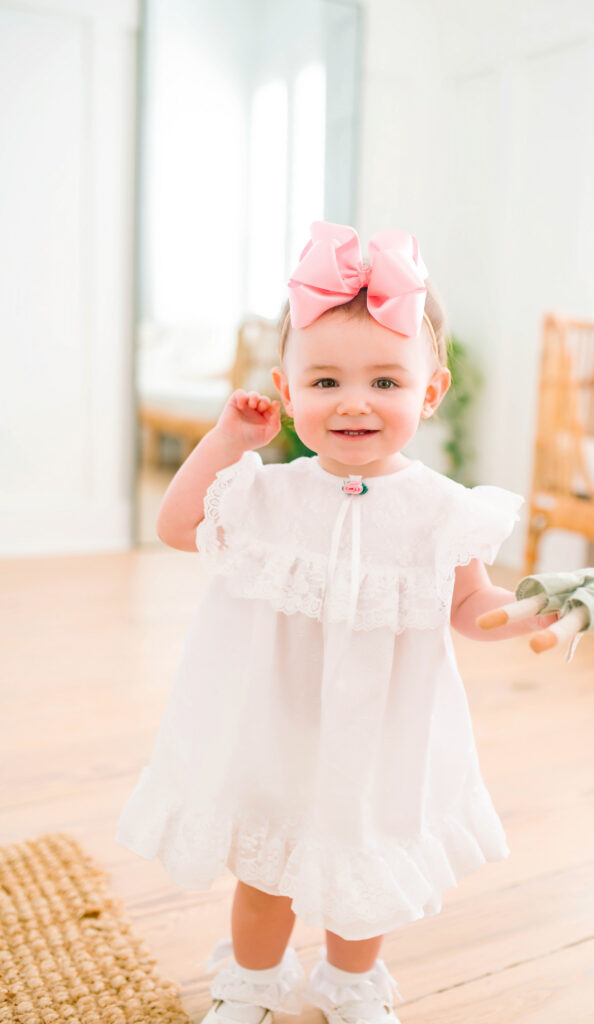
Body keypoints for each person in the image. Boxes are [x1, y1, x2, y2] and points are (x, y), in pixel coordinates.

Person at [115, 221, 561, 1024]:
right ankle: (250, 982)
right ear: (287, 394)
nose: (354, 401)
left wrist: (532, 607)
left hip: (382, 731)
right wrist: (225, 442)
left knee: (364, 879)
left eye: (386, 383)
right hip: (274, 724)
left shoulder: (440, 511)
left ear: (429, 393)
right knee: (267, 875)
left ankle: (351, 985)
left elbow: (470, 606)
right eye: (324, 382)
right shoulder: (268, 494)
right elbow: (178, 528)